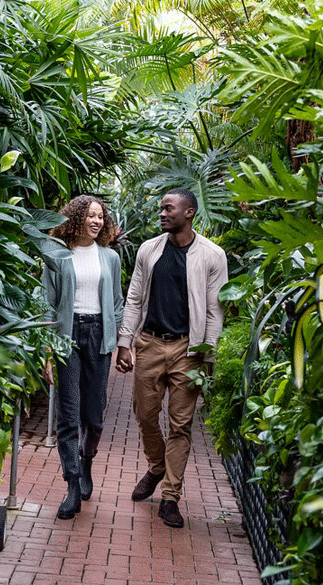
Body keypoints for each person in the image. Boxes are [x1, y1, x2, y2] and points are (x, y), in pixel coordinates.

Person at [115, 187, 228, 528]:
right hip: (149, 343)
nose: (162, 213)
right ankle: (156, 465)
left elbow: (214, 310)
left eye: (169, 208)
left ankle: (169, 497)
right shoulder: (149, 250)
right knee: (145, 414)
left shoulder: (212, 255)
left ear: (189, 213)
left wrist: (207, 356)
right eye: (162, 208)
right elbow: (134, 298)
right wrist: (125, 342)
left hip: (188, 350)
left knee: (180, 425)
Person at [40, 195, 124, 520]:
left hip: (97, 336)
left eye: (100, 216)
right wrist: (46, 349)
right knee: (69, 414)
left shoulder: (110, 257)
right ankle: (72, 484)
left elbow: (116, 302)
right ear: (76, 218)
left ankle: (86, 461)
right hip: (67, 336)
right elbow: (47, 303)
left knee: (95, 418)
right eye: (90, 215)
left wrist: (113, 334)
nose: (96, 221)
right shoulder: (56, 255)